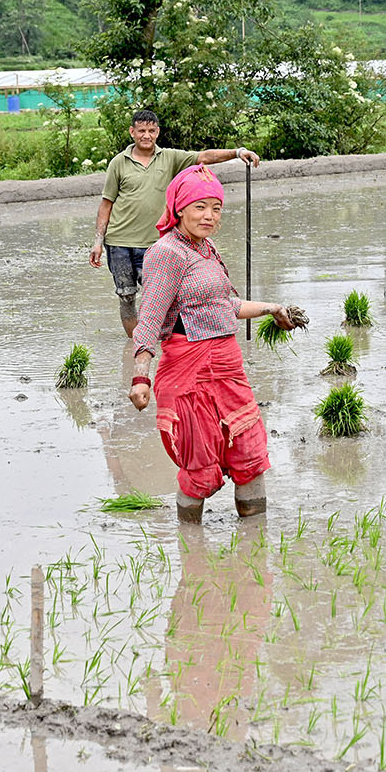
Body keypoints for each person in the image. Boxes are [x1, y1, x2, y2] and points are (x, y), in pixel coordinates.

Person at [128, 165, 298, 521]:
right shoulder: (166, 253)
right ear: (179, 209)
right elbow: (149, 321)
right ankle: (191, 547)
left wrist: (272, 308)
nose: (209, 216)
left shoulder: (207, 249)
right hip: (190, 374)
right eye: (200, 207)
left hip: (227, 367)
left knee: (249, 453)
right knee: (199, 465)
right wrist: (140, 377)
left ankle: (254, 549)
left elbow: (225, 306)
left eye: (216, 208)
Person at [88, 109, 262, 338]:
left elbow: (204, 157)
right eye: (141, 131)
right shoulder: (118, 163)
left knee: (161, 297)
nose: (146, 136)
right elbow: (106, 203)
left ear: (157, 132)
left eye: (151, 131)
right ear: (132, 132)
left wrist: (237, 152)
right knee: (126, 296)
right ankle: (136, 344)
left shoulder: (170, 157)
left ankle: (166, 344)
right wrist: (98, 242)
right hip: (119, 243)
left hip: (155, 244)